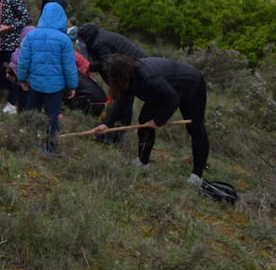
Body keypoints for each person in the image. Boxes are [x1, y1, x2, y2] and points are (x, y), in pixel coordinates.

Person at [89, 54, 210, 183]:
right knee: (145, 120)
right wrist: (107, 124)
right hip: (164, 90)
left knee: (196, 129)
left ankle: (197, 176)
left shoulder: (148, 78)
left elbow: (173, 99)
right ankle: (143, 162)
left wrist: (158, 121)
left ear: (119, 74)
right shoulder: (129, 76)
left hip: (191, 84)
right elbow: (121, 102)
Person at [15, 1, 77, 153]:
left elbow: (23, 61)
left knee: (31, 114)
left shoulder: (31, 36)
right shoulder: (64, 40)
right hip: (55, 87)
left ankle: (27, 143)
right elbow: (69, 66)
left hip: (35, 84)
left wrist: (21, 79)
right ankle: (51, 148)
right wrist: (72, 86)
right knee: (52, 118)